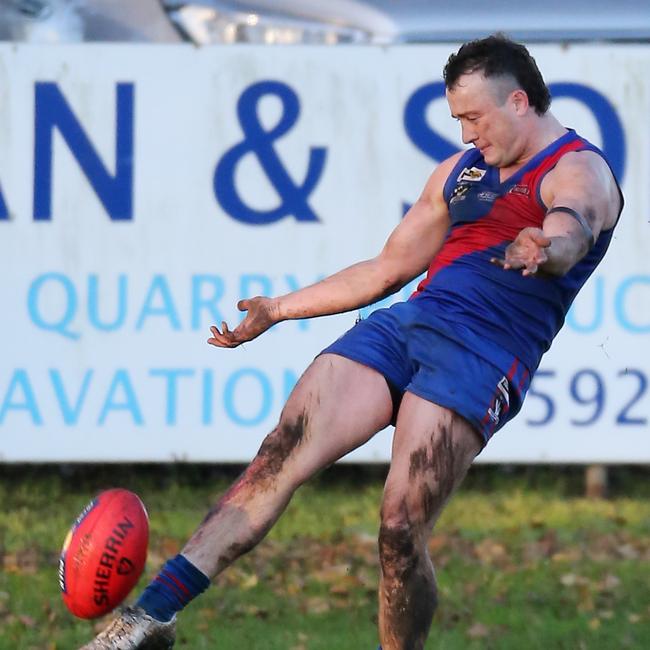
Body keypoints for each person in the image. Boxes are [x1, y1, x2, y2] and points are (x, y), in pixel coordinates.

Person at [81, 34, 623, 650]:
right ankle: (148, 620)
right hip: (408, 326)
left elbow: (571, 225)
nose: (467, 135)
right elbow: (387, 270)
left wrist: (546, 248)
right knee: (280, 452)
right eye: (458, 121)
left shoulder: (580, 168)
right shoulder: (460, 174)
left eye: (473, 118)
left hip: (481, 355)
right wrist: (279, 309)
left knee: (399, 527)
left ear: (519, 101)